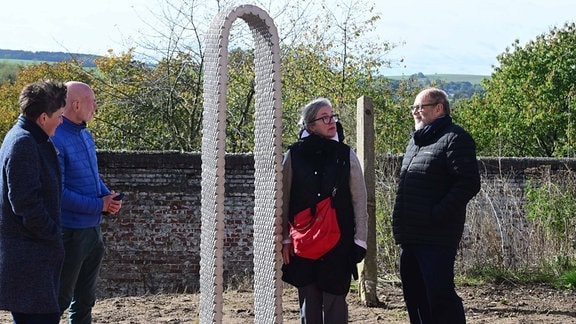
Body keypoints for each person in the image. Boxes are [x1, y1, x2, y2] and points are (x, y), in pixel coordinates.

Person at [392, 87, 481, 323]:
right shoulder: (415, 142)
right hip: (411, 237)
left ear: (439, 108)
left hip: (436, 237)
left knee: (439, 299)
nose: (416, 113)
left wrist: (436, 215)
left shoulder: (455, 138)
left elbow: (468, 183)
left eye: (420, 107)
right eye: (414, 108)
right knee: (416, 298)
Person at [281, 97, 368, 324]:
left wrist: (360, 240)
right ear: (311, 126)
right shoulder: (293, 155)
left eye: (333, 117)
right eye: (325, 118)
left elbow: (359, 199)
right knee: (308, 304)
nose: (332, 122)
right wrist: (284, 238)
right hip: (304, 242)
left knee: (335, 302)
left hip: (339, 242)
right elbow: (283, 199)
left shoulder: (346, 154)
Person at [51, 81, 123, 324]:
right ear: (76, 104)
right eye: (92, 101)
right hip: (70, 232)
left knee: (85, 300)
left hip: (92, 230)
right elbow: (58, 194)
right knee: (59, 299)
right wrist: (99, 205)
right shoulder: (55, 138)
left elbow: (91, 176)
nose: (96, 106)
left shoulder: (84, 133)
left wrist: (107, 197)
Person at [0, 80, 67, 323]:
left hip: (32, 261)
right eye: (59, 116)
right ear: (42, 118)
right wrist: (52, 234)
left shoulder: (26, 137)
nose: (61, 121)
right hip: (30, 263)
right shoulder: (24, 142)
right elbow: (25, 203)